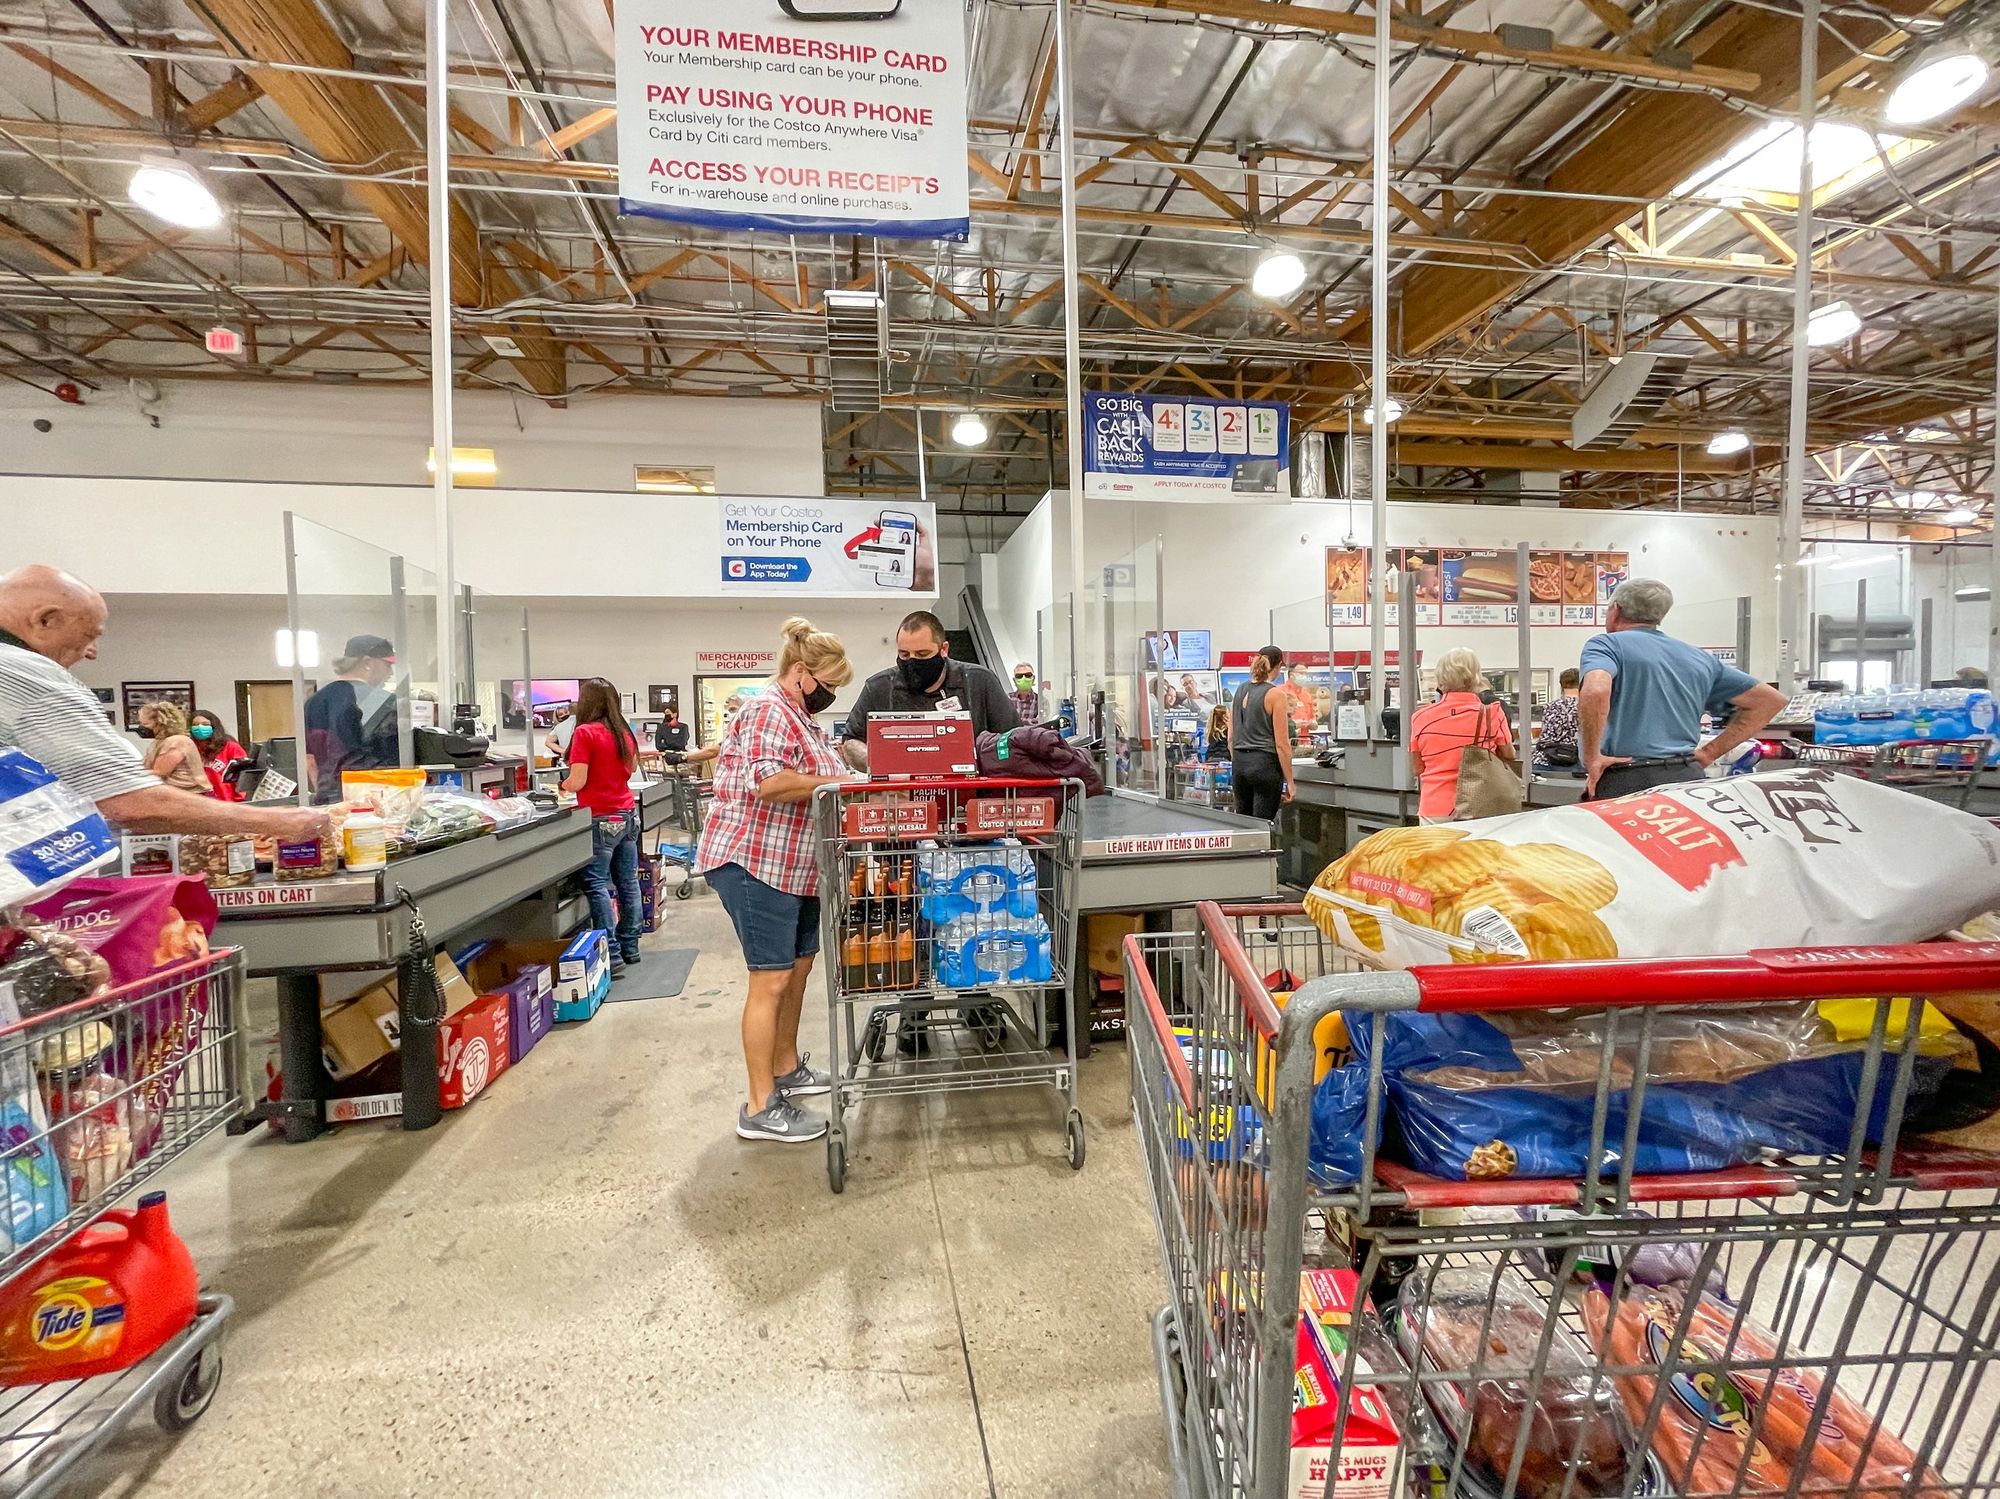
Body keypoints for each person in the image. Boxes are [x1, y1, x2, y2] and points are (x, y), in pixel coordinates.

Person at [0, 565, 326, 840]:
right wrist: (279, 822)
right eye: (88, 636)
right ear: (46, 620)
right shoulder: (24, 671)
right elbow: (131, 802)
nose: (92, 652)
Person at [695, 618, 855, 1146]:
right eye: (828, 686)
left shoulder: (801, 719)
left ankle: (786, 1068)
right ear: (802, 673)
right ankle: (760, 1106)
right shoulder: (768, 709)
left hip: (796, 866)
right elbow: (770, 782)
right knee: (770, 979)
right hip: (754, 862)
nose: (830, 696)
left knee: (799, 969)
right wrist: (844, 781)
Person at [1580, 578, 1787, 799]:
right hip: (1687, 778)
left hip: (1625, 778)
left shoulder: (1606, 645)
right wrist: (1710, 753)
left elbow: (1596, 691)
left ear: (1615, 610)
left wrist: (1593, 757)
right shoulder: (1698, 657)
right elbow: (1770, 700)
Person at [840, 611, 1018, 770]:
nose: (912, 661)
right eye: (904, 654)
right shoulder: (879, 687)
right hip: (902, 798)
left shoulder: (979, 681)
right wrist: (881, 762)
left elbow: (1012, 737)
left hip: (971, 794)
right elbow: (851, 741)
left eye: (922, 654)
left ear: (944, 649)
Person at [560, 679, 644, 978]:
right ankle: (630, 946)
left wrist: (561, 786)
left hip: (599, 817)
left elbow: (578, 781)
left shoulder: (584, 733)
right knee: (628, 882)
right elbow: (631, 769)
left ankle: (611, 950)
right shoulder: (624, 732)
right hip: (627, 814)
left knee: (596, 885)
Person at [1409, 649, 1516, 824]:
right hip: (1481, 805)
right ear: (1476, 677)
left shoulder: (1420, 717)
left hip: (1435, 807)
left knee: (1435, 852)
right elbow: (1510, 755)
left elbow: (1417, 768)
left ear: (1440, 678)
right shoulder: (1492, 714)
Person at [302, 634, 399, 802]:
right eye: (387, 664)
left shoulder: (313, 702)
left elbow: (310, 759)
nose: (390, 672)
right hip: (372, 801)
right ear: (368, 663)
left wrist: (329, 796)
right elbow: (394, 759)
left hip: (330, 799)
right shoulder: (382, 701)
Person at [1230, 646, 1295, 819]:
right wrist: (1290, 781)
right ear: (1279, 665)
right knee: (1263, 825)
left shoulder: (1239, 690)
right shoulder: (1275, 695)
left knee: (1244, 825)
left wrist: (1238, 760)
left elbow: (1231, 737)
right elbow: (1282, 745)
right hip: (1264, 765)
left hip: (1240, 765)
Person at [138, 701, 212, 798]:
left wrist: (129, 774)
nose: (142, 727)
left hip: (190, 796)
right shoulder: (159, 742)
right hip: (178, 795)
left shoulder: (177, 741)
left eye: (145, 724)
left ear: (160, 723)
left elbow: (160, 772)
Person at [190, 709, 250, 800]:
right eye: (195, 725)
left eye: (205, 724)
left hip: (228, 804)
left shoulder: (231, 747)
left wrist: (240, 802)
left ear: (214, 726)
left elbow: (243, 779)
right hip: (200, 805)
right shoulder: (189, 748)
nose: (199, 727)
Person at [1537, 668, 1582, 767]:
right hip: (1579, 761)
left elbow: (1545, 738)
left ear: (1561, 685)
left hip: (1552, 759)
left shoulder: (1550, 707)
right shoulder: (1588, 706)